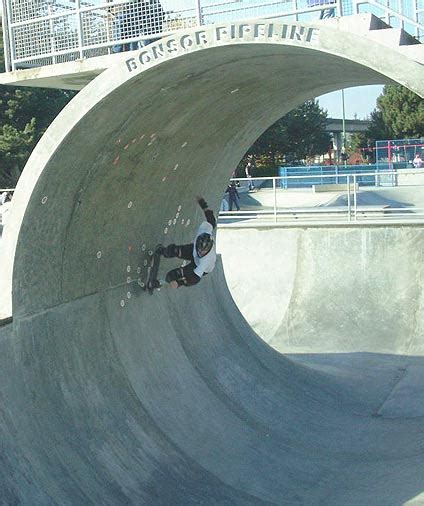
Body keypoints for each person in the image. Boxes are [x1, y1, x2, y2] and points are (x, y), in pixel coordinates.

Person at [149, 196, 216, 289]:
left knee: (173, 275)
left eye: (203, 252)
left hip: (197, 266)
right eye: (199, 250)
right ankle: (163, 251)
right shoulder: (205, 229)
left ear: (208, 250)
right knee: (175, 250)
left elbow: (194, 279)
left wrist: (179, 283)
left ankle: (159, 283)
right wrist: (202, 203)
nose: (200, 253)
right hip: (193, 250)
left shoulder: (205, 261)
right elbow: (211, 220)